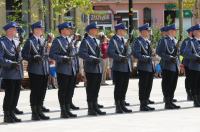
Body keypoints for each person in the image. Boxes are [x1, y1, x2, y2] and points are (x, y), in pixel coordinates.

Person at [22, 21, 50, 120]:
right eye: (39, 29)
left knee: (42, 91)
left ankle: (40, 111)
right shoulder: (30, 41)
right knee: (35, 91)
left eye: (42, 28)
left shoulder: (43, 40)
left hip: (44, 69)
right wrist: (33, 57)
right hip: (35, 70)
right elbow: (24, 54)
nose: (41, 30)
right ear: (34, 30)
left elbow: (46, 54)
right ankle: (34, 113)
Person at [49, 22, 77, 118]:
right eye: (68, 29)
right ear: (62, 30)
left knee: (70, 90)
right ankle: (63, 110)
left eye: (70, 29)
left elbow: (73, 53)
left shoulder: (70, 40)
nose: (70, 30)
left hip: (71, 68)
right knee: (63, 90)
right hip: (63, 69)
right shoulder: (58, 41)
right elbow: (52, 54)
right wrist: (63, 58)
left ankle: (68, 109)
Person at [79, 22, 106, 116]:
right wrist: (92, 59)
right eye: (95, 29)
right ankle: (90, 108)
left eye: (97, 29)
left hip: (98, 67)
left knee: (96, 88)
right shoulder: (85, 41)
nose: (96, 31)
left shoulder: (97, 41)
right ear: (90, 30)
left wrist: (99, 57)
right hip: (90, 68)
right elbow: (82, 53)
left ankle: (95, 106)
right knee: (90, 88)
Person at [0, 22, 24, 123]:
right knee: (9, 95)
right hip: (9, 73)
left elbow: (19, 56)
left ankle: (12, 113)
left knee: (16, 94)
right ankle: (7, 115)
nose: (16, 31)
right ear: (9, 30)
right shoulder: (2, 42)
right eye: (14, 29)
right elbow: (0, 59)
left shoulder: (16, 41)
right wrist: (11, 63)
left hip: (18, 72)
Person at [107, 23, 132, 113]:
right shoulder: (113, 40)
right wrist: (120, 57)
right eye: (124, 30)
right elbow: (110, 52)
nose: (125, 31)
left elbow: (129, 50)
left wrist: (127, 55)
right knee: (119, 87)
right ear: (119, 30)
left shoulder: (125, 40)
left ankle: (122, 104)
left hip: (126, 66)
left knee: (124, 86)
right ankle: (118, 106)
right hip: (118, 67)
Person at [156, 24, 180, 109]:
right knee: (167, 85)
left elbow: (177, 54)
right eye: (174, 30)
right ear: (170, 31)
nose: (175, 32)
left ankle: (171, 101)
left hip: (175, 66)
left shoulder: (176, 41)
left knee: (173, 84)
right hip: (167, 66)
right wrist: (169, 57)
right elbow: (159, 52)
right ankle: (167, 102)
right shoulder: (164, 41)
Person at [132, 23, 155, 111]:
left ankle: (146, 102)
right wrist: (148, 58)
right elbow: (136, 54)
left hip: (150, 67)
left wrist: (152, 55)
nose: (149, 32)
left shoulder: (147, 41)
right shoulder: (138, 41)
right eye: (147, 31)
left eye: (149, 31)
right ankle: (142, 104)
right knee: (143, 86)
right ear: (142, 32)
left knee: (149, 86)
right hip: (143, 67)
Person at [184, 24, 200, 107]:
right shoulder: (191, 42)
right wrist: (196, 57)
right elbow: (186, 53)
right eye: (198, 31)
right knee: (195, 84)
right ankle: (195, 100)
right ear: (194, 32)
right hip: (194, 67)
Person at [180, 26, 194, 101]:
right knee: (189, 79)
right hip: (188, 63)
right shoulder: (185, 41)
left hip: (196, 63)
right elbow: (182, 52)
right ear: (190, 33)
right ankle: (189, 93)